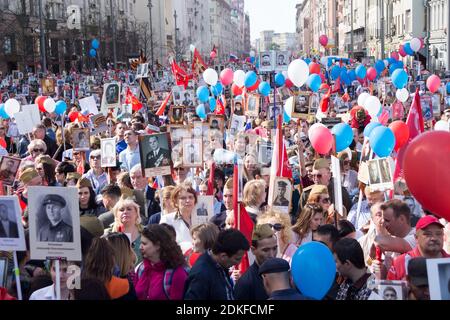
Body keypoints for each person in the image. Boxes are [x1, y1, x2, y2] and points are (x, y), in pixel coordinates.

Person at [184, 229, 250, 300]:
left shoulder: (220, 265)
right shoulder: (201, 274)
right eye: (237, 259)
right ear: (223, 256)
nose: (238, 263)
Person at [387, 215, 450, 281]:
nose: (434, 238)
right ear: (416, 238)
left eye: (438, 234)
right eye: (427, 234)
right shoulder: (401, 263)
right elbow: (390, 290)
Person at [134, 225, 188, 300]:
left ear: (157, 245)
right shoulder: (142, 269)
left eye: (144, 244)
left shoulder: (176, 273)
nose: (140, 247)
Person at [234, 224, 278, 300]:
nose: (272, 255)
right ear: (253, 250)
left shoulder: (283, 273)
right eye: (266, 250)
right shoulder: (245, 283)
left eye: (274, 248)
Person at [159, 183, 198, 253]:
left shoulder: (202, 219)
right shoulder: (167, 220)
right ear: (175, 201)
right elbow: (163, 245)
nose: (188, 200)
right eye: (183, 198)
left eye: (191, 197)